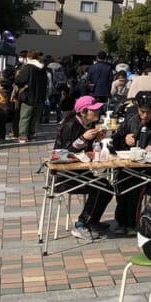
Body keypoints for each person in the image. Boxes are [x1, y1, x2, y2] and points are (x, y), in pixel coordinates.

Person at [111, 90, 151, 235]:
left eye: (148, 112)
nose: (144, 116)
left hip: (150, 168)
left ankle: (132, 223)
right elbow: (115, 141)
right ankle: (120, 221)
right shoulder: (131, 119)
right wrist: (124, 139)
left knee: (136, 188)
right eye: (142, 112)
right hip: (127, 165)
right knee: (121, 186)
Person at [55, 95, 114, 239]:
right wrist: (83, 139)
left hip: (81, 171)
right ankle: (81, 224)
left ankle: (92, 221)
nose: (97, 112)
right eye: (93, 110)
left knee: (107, 187)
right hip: (65, 175)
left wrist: (98, 140)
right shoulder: (69, 126)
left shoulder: (89, 125)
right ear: (83, 112)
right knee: (101, 188)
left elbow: (89, 151)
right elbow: (63, 153)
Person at [14, 51, 48, 143]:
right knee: (34, 118)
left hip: (28, 96)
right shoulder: (43, 69)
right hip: (40, 96)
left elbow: (19, 80)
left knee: (25, 117)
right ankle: (31, 134)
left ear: (28, 58)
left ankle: (23, 136)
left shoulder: (28, 68)